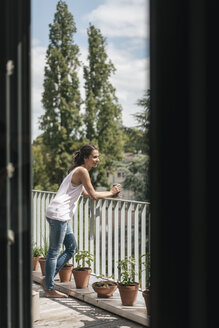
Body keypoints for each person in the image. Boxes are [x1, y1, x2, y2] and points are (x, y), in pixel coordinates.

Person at [41, 144, 121, 298]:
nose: (97, 160)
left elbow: (83, 192)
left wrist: (110, 194)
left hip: (59, 214)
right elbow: (93, 195)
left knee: (71, 248)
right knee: (53, 252)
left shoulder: (76, 170)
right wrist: (111, 192)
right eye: (95, 157)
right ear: (86, 158)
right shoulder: (82, 171)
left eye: (98, 156)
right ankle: (49, 289)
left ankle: (48, 280)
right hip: (59, 215)